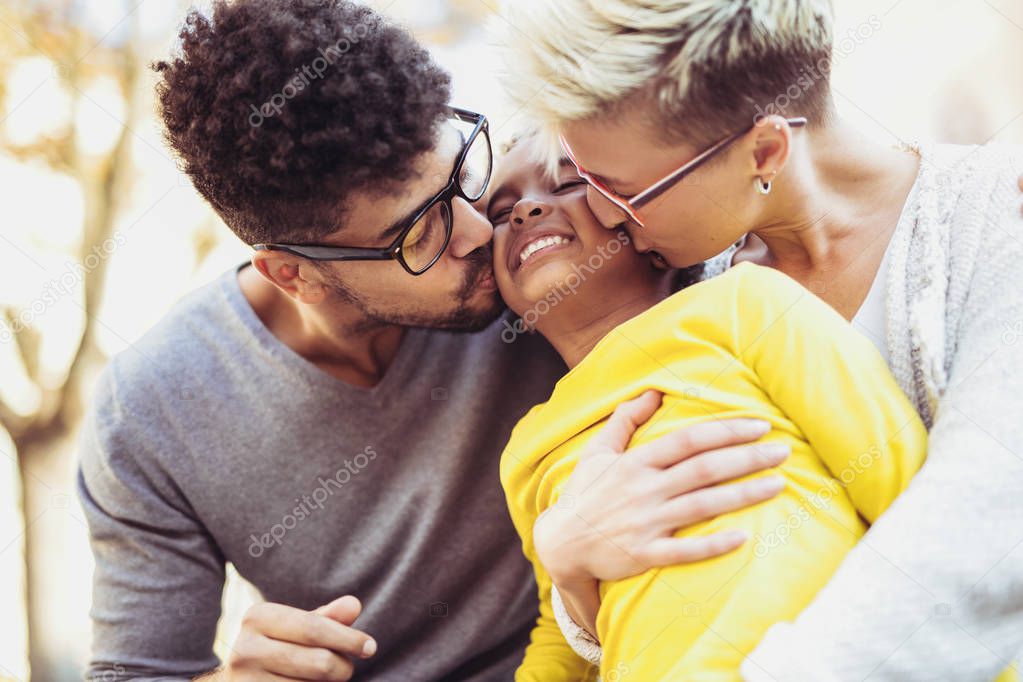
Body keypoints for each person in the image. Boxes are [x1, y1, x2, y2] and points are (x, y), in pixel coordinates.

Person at [77, 1, 790, 680]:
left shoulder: (545, 256)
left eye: (461, 172)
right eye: (421, 234)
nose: (482, 231)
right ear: (294, 275)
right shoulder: (149, 414)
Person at [497, 0, 1023, 679]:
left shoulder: (997, 218)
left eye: (616, 187)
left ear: (766, 150)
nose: (600, 214)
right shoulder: (682, 277)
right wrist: (569, 565)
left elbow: (982, 534)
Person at [489, 133, 937, 680]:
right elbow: (565, 636)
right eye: (500, 210)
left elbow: (900, 481)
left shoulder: (746, 304)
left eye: (567, 183)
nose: (526, 210)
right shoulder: (527, 447)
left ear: (636, 220)